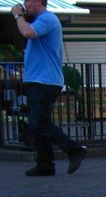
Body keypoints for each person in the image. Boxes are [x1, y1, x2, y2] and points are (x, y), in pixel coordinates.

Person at [11, 0, 86, 176]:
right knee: (35, 124)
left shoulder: (48, 18)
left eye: (27, 1)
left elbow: (28, 32)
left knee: (39, 122)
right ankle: (45, 164)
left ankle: (74, 149)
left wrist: (17, 15)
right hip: (37, 80)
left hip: (45, 81)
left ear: (38, 2)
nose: (25, 4)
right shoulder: (41, 21)